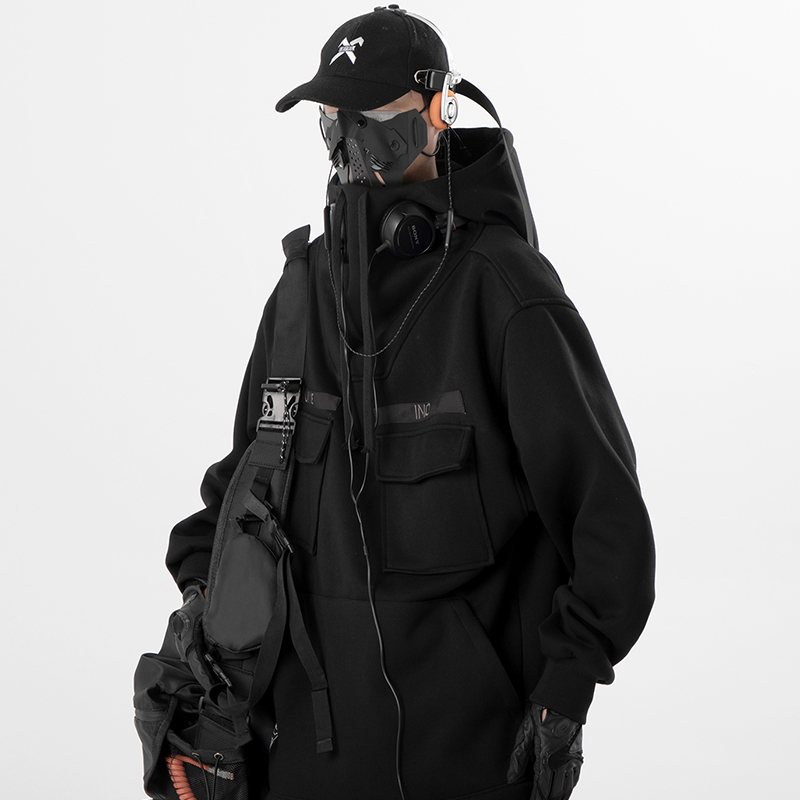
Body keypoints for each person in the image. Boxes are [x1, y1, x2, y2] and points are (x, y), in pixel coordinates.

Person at [162, 7, 656, 800]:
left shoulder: (505, 292)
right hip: (302, 764)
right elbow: (241, 492)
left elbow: (610, 523)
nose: (349, 140)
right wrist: (200, 597)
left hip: (464, 762)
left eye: (377, 113)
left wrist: (566, 691)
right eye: (333, 116)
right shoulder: (298, 299)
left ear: (438, 111)